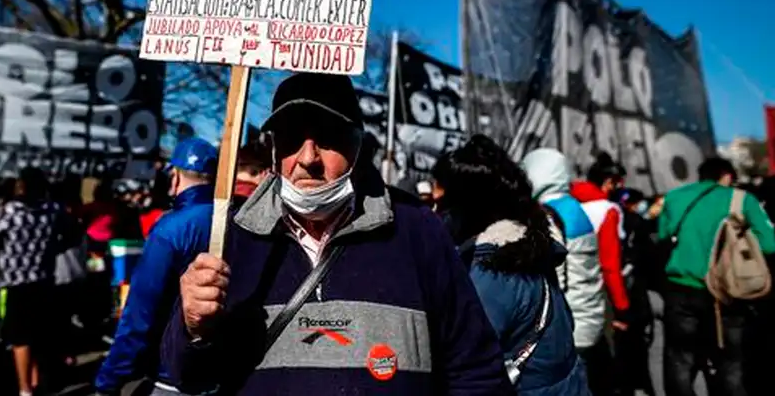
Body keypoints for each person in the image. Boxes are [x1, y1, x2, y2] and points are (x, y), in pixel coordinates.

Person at [161, 73, 512, 395]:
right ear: (273, 148)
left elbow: (476, 372)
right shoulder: (232, 237)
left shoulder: (417, 228)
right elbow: (189, 378)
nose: (307, 158)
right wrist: (193, 329)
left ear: (357, 146)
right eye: (292, 138)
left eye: (327, 138)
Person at [438, 137, 589, 394]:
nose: (436, 210)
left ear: (465, 207)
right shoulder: (527, 247)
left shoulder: (488, 274)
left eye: (442, 201)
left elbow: (467, 366)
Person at [94, 137, 219, 396]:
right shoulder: (237, 219)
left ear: (174, 177)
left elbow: (140, 313)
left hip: (172, 373)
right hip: (223, 373)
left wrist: (108, 381)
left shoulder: (169, 229)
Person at [658, 157, 775, 396]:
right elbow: (769, 244)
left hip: (681, 287)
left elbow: (662, 236)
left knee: (680, 358)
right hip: (727, 291)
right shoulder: (742, 199)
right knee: (730, 359)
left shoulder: (674, 197)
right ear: (727, 175)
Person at [0, 167, 66, 396]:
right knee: (38, 334)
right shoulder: (53, 210)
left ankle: (25, 389)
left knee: (20, 339)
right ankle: (36, 382)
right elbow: (68, 234)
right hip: (43, 280)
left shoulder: (10, 211)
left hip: (15, 282)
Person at [520, 149, 607, 380]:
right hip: (590, 314)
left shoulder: (549, 214)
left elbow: (552, 280)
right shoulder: (574, 207)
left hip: (571, 324)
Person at [611, 187, 656, 396]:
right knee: (637, 343)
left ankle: (624, 383)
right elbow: (648, 257)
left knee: (620, 343)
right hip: (634, 291)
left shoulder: (614, 217)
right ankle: (638, 382)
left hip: (616, 290)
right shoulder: (637, 222)